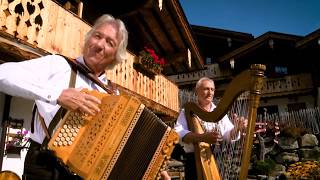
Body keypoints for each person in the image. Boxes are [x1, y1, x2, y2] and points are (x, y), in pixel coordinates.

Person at [0, 14, 170, 180]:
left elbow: (123, 147)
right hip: (44, 167)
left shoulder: (114, 96)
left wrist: (151, 168)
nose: (99, 44)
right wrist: (57, 95)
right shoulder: (58, 65)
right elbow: (3, 74)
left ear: (116, 55)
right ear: (88, 39)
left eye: (109, 42)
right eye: (97, 36)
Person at [174, 77, 246, 180]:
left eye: (212, 89)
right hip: (194, 161)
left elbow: (228, 135)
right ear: (197, 91)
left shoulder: (219, 112)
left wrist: (237, 129)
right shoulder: (187, 111)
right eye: (206, 89)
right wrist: (202, 137)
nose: (210, 92)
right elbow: (178, 133)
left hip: (216, 160)